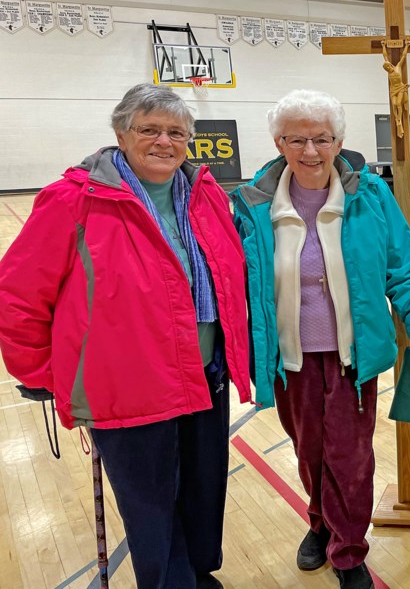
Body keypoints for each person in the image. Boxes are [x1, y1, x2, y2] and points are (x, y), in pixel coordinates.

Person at [0, 83, 251, 589]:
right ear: (121, 132)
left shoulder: (206, 196)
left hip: (206, 375)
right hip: (128, 386)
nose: (164, 141)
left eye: (176, 132)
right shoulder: (74, 200)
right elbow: (19, 293)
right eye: (149, 129)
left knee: (203, 490)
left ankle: (199, 575)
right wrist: (37, 372)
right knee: (151, 503)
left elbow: (231, 278)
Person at [231, 89, 410, 589]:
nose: (311, 151)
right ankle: (320, 522)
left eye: (322, 139)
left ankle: (348, 553)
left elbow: (399, 267)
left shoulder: (369, 196)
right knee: (308, 450)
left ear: (339, 141)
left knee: (349, 457)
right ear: (278, 142)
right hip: (291, 357)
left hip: (352, 355)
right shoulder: (250, 204)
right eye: (297, 139)